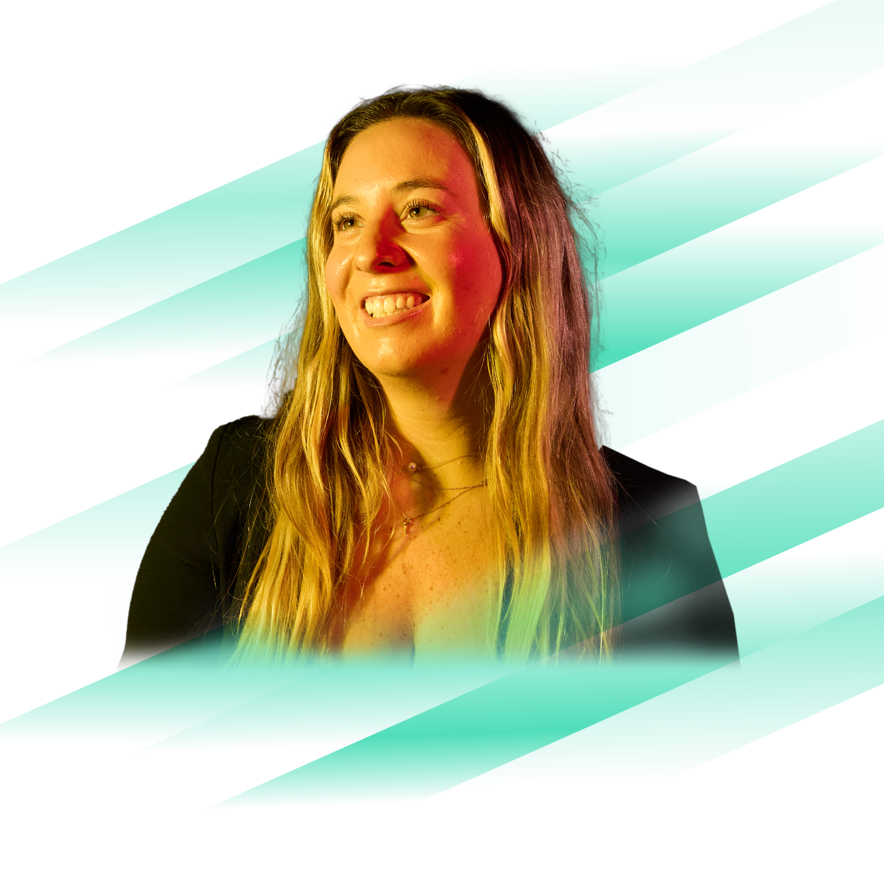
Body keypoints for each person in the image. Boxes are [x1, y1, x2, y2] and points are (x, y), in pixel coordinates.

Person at [118, 84, 740, 669]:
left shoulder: (653, 525)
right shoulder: (237, 481)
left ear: (517, 242)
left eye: (419, 209)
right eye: (346, 222)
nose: (371, 253)